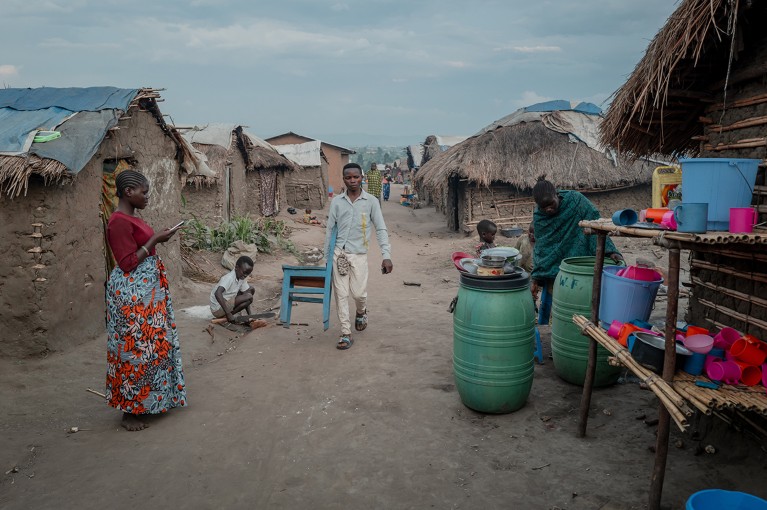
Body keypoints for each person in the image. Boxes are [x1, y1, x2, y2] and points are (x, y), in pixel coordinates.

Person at [105, 170, 186, 431]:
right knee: (134, 351)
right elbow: (127, 263)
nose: (147, 196)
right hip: (132, 296)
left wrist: (156, 238)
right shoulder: (117, 222)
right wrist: (154, 239)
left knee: (153, 347)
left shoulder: (131, 217)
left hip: (147, 294)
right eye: (144, 192)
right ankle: (129, 412)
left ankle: (150, 401)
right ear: (129, 192)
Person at [531, 176, 623, 324]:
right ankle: (545, 330)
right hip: (553, 267)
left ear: (557, 194)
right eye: (543, 207)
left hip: (579, 262)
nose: (548, 209)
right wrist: (535, 277)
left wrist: (611, 251)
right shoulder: (539, 217)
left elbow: (594, 223)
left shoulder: (575, 201)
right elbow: (542, 246)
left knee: (580, 304)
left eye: (551, 203)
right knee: (552, 307)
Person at [324, 163, 393, 350]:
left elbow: (380, 228)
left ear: (362, 177)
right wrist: (326, 258)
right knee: (341, 294)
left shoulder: (371, 201)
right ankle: (345, 333)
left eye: (356, 177)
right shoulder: (337, 202)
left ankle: (361, 311)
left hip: (359, 254)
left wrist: (386, 255)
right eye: (348, 177)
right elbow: (330, 231)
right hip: (339, 254)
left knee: (359, 294)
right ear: (344, 179)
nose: (352, 180)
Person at [210, 256, 256, 322]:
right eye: (244, 272)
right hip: (217, 309)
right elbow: (217, 293)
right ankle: (228, 315)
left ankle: (227, 316)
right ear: (237, 267)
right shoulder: (229, 278)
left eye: (248, 274)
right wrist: (228, 313)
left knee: (251, 290)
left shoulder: (241, 277)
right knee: (249, 296)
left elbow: (247, 293)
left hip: (227, 302)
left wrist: (250, 315)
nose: (245, 275)